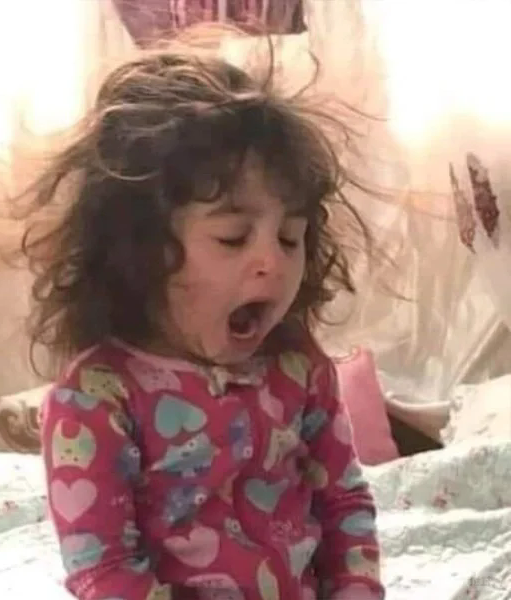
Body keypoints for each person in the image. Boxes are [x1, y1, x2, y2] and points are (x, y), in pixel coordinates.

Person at [21, 37, 385, 600]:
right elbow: (105, 571)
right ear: (141, 250)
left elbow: (343, 502)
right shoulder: (96, 398)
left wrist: (357, 589)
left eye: (291, 237)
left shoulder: (298, 366)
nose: (273, 262)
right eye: (233, 237)